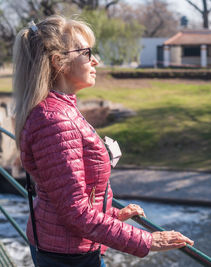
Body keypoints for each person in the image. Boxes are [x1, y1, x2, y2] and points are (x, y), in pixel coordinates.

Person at [12, 15, 193, 267]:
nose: (95, 60)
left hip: (66, 246)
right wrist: (148, 241)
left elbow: (65, 190)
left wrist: (113, 214)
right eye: (86, 53)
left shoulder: (59, 110)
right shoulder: (55, 121)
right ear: (58, 62)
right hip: (69, 256)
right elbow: (74, 210)